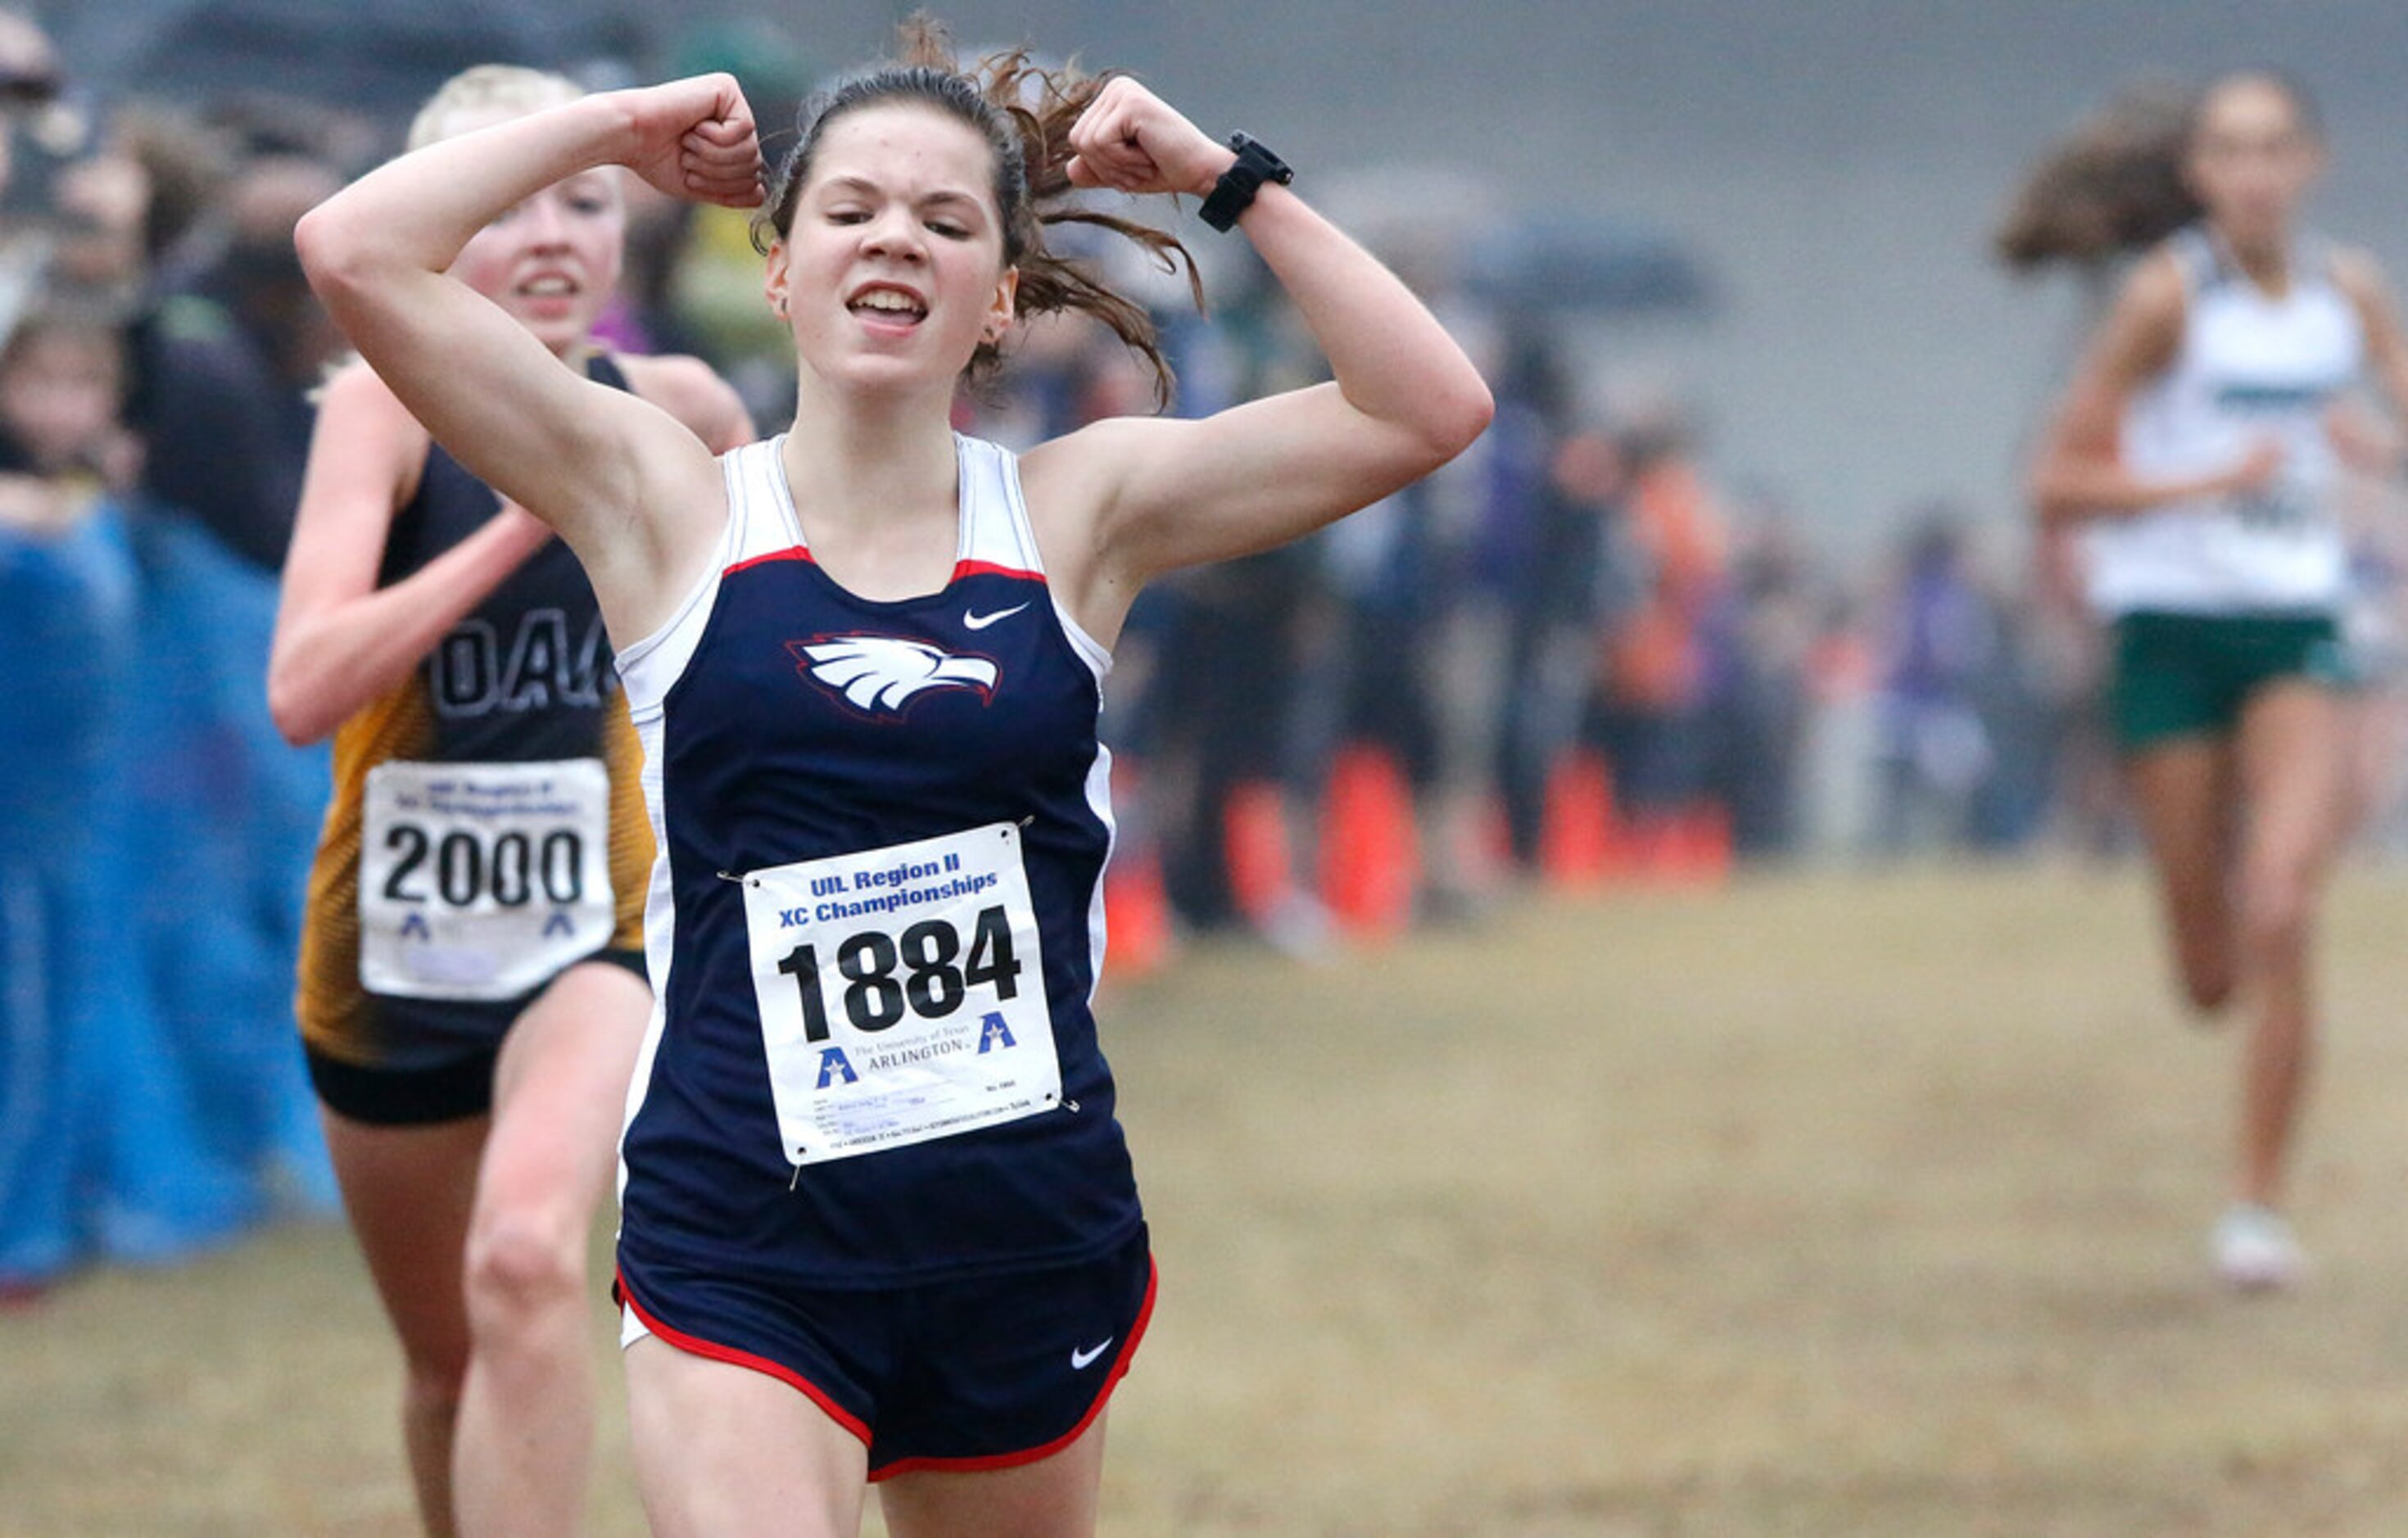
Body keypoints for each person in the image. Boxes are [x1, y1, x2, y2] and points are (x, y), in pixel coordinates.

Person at [294, 20, 1490, 1535]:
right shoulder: (660, 499)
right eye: (850, 209)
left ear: (998, 297)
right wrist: (617, 128)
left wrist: (1219, 180)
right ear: (779, 266)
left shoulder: (1079, 512)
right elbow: (352, 251)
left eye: (944, 220)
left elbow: (1426, 408)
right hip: (745, 1233)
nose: (894, 242)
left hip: (1018, 1232)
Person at [268, 66, 750, 1537]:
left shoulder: (680, 409)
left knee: (532, 1257)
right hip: (387, 958)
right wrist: (527, 522)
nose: (549, 236)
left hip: (597, 925)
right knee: (443, 1364)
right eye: (506, 202)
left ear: (627, 235)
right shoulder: (382, 412)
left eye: (588, 202)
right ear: (439, 231)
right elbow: (304, 687)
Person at [2027, 70, 2408, 1290]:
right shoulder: (2162, 300)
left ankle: (2255, 1209)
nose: (2253, 172)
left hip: (2297, 624)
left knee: (2285, 903)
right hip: (2171, 632)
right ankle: (2228, 904)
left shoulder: (2348, 295)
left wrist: (2377, 449)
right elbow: (2058, 483)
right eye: (2229, 151)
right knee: (2210, 973)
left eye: (2274, 147)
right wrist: (2198, 485)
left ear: (2312, 163)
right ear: (2197, 176)